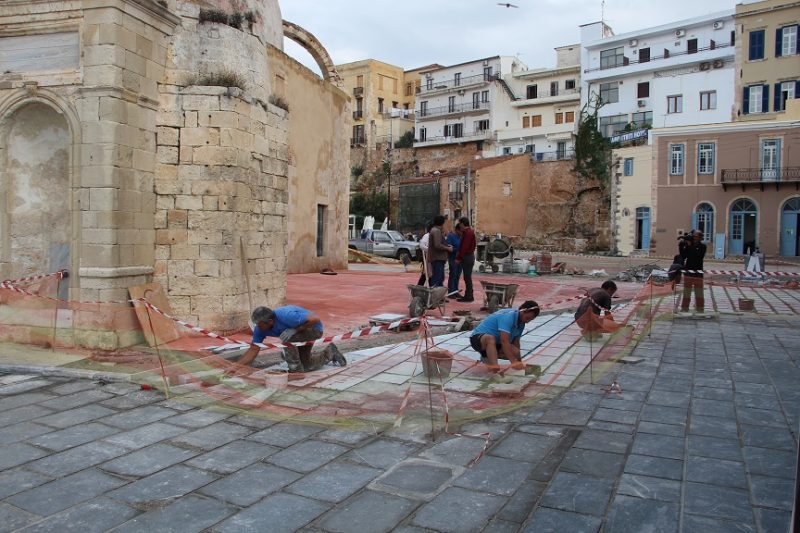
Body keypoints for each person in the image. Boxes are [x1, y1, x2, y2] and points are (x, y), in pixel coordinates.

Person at [228, 305, 347, 375]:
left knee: (288, 340)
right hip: (297, 337)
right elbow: (253, 349)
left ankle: (295, 371)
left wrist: (296, 329)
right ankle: (330, 352)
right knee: (307, 365)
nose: (257, 328)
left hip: (313, 329)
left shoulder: (287, 315)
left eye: (259, 325)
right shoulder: (260, 328)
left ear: (270, 322)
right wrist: (235, 367)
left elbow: (315, 319)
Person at [470, 300, 540, 371]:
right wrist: (513, 362)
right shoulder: (508, 317)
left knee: (515, 352)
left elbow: (516, 342)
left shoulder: (521, 323)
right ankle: (494, 368)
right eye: (527, 318)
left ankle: (486, 356)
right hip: (478, 339)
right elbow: (504, 342)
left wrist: (519, 362)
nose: (527, 321)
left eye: (530, 320)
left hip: (495, 343)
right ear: (523, 311)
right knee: (490, 338)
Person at [679, 229, 706, 313]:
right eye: (693, 236)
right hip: (688, 272)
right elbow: (683, 256)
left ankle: (700, 309)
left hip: (698, 273)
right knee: (686, 292)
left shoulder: (703, 246)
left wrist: (690, 246)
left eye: (695, 236)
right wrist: (681, 246)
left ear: (700, 238)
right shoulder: (689, 245)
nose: (694, 238)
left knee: (699, 292)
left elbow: (698, 256)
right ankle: (684, 308)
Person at [455, 217, 477, 302]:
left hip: (467, 257)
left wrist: (459, 258)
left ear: (462, 223)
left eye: (460, 223)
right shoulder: (469, 232)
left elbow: (464, 247)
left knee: (467, 277)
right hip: (468, 256)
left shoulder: (467, 233)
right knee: (467, 277)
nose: (459, 225)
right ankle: (468, 295)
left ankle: (469, 296)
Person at [428, 215, 453, 287]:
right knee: (437, 279)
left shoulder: (435, 230)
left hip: (437, 258)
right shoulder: (436, 231)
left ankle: (437, 292)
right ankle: (435, 293)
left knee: (439, 278)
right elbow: (437, 245)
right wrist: (447, 248)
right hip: (437, 258)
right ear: (442, 223)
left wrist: (446, 246)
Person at [446, 221, 463, 298]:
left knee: (457, 275)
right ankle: (451, 292)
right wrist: (457, 250)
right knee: (453, 274)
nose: (461, 232)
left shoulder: (461, 237)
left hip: (460, 259)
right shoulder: (451, 236)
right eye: (461, 231)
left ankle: (455, 291)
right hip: (453, 258)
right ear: (457, 230)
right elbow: (449, 247)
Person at [417, 222, 433, 286]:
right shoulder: (427, 236)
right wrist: (429, 250)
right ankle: (420, 286)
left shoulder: (434, 236)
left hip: (433, 257)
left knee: (430, 273)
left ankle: (429, 286)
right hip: (427, 257)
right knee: (426, 272)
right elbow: (422, 245)